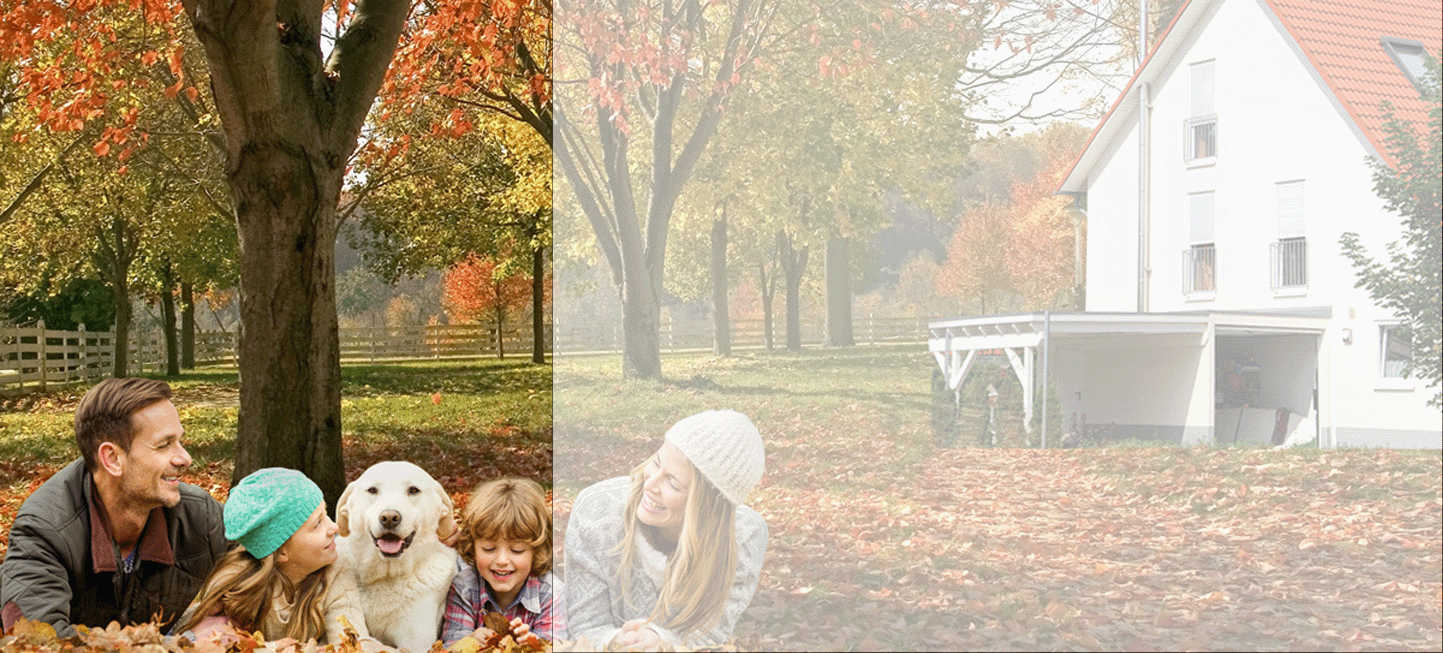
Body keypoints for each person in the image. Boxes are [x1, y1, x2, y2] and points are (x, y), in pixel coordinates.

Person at [0, 378, 226, 636]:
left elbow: (266, 560)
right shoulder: (45, 530)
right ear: (112, 459)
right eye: (164, 445)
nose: (185, 458)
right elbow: (36, 643)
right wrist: (185, 643)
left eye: (180, 441)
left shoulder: (198, 514)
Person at [565, 409, 768, 648]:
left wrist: (661, 641)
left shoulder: (743, 537)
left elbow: (710, 633)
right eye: (656, 462)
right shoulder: (596, 512)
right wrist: (616, 642)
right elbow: (584, 628)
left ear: (707, 506)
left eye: (672, 482)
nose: (649, 483)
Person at [174, 467, 363, 644]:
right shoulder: (237, 590)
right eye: (317, 524)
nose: (334, 528)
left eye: (326, 514)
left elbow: (352, 642)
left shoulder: (338, 570)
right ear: (281, 552)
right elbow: (221, 644)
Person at [441, 477, 561, 647]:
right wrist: (471, 641)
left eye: (517, 550)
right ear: (473, 547)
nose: (502, 561)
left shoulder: (551, 593)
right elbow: (449, 647)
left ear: (537, 550)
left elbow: (556, 646)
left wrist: (532, 646)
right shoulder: (464, 587)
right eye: (489, 549)